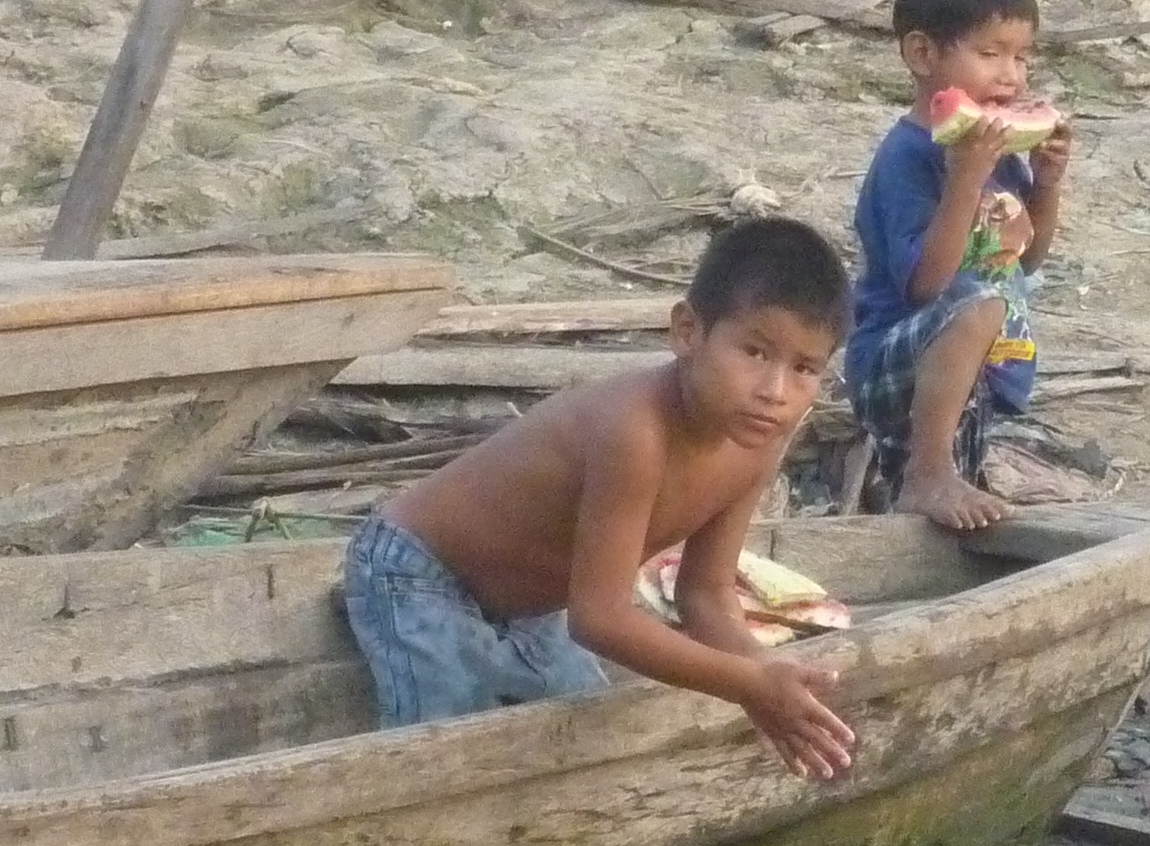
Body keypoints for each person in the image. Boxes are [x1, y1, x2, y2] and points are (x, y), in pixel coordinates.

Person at [340, 216, 857, 780]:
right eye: (755, 353)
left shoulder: (759, 439)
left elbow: (705, 595)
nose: (775, 392)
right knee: (447, 757)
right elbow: (600, 618)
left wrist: (768, 678)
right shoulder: (637, 434)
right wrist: (748, 684)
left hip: (529, 606)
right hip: (417, 569)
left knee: (585, 734)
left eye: (805, 367)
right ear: (688, 332)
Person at [849, 0, 1074, 531]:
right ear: (923, 54)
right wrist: (965, 179)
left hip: (975, 383)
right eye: (990, 53)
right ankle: (928, 475)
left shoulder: (990, 146)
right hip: (893, 364)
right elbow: (927, 285)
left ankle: (942, 469)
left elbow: (1028, 258)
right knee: (979, 305)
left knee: (990, 302)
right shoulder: (907, 157)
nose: (1011, 76)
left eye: (1022, 58)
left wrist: (1046, 186)